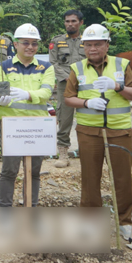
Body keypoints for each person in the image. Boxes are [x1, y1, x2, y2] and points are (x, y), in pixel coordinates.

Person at [64, 24, 132, 241]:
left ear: (107, 45)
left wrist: (117, 86)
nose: (93, 49)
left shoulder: (121, 64)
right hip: (88, 132)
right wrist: (87, 102)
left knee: (122, 178)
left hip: (119, 131)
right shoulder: (77, 68)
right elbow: (68, 98)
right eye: (88, 45)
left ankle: (125, 222)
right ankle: (91, 222)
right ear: (83, 47)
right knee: (90, 178)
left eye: (98, 44)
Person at [0, 24, 55, 207]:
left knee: (34, 172)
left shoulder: (46, 67)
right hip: (12, 127)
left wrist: (27, 95)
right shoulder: (3, 68)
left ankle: (31, 208)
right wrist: (0, 100)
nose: (30, 47)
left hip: (37, 126)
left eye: (34, 43)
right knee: (9, 171)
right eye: (25, 42)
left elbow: (46, 92)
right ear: (16, 44)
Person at [49, 10, 86, 167]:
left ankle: (88, 151)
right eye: (67, 21)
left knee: (88, 116)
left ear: (81, 23)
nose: (70, 24)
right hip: (65, 84)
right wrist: (68, 78)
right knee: (64, 118)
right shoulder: (57, 41)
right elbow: (53, 62)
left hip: (86, 84)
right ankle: (63, 153)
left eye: (73, 21)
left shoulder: (88, 40)